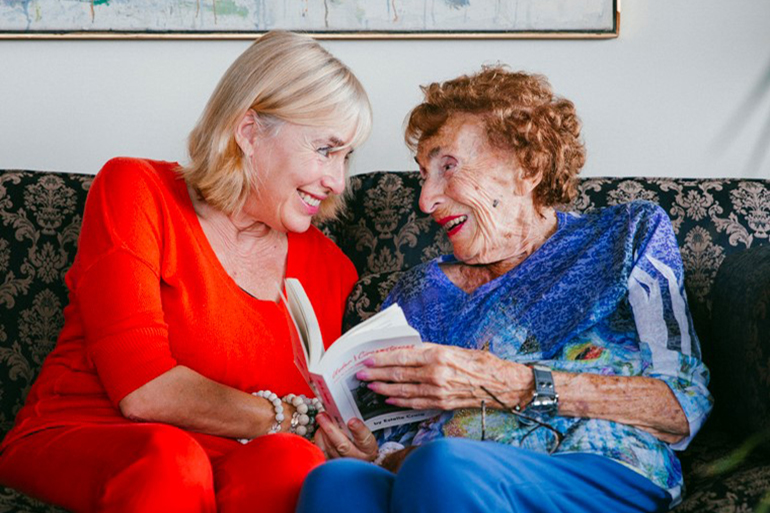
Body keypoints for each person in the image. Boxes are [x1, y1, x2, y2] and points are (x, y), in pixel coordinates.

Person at [297, 67, 712, 513]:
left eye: (448, 166)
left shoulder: (624, 236)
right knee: (336, 481)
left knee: (443, 466)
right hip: (439, 474)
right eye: (423, 175)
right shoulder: (419, 291)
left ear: (527, 167)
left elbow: (682, 407)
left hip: (596, 465)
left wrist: (508, 383)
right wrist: (372, 453)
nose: (426, 199)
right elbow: (393, 439)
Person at [0, 30, 371, 513]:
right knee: (172, 461)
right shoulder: (136, 190)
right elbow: (143, 391)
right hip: (92, 435)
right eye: (325, 150)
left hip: (228, 457)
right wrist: (284, 416)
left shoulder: (330, 267)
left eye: (347, 157)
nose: (337, 180)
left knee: (292, 464)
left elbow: (316, 419)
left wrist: (347, 446)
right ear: (249, 131)